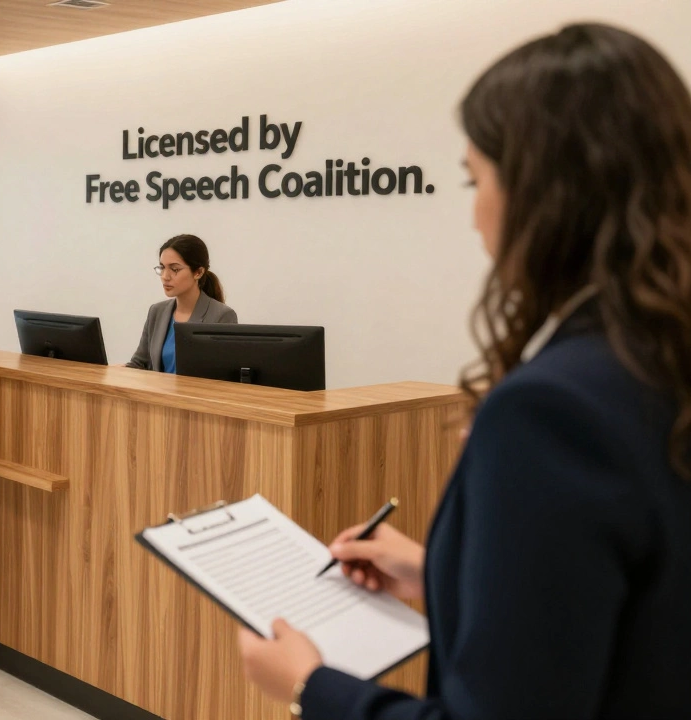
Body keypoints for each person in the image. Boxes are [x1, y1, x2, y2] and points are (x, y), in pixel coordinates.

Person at [236, 23, 691, 719]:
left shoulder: (550, 410)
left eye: (475, 179)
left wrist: (310, 685)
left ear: (546, 196)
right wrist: (438, 570)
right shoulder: (662, 355)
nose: (475, 216)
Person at [126, 234, 236, 372]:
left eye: (174, 269)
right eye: (162, 267)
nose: (165, 276)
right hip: (157, 393)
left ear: (198, 272)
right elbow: (139, 363)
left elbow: (224, 375)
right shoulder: (156, 311)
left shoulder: (222, 316)